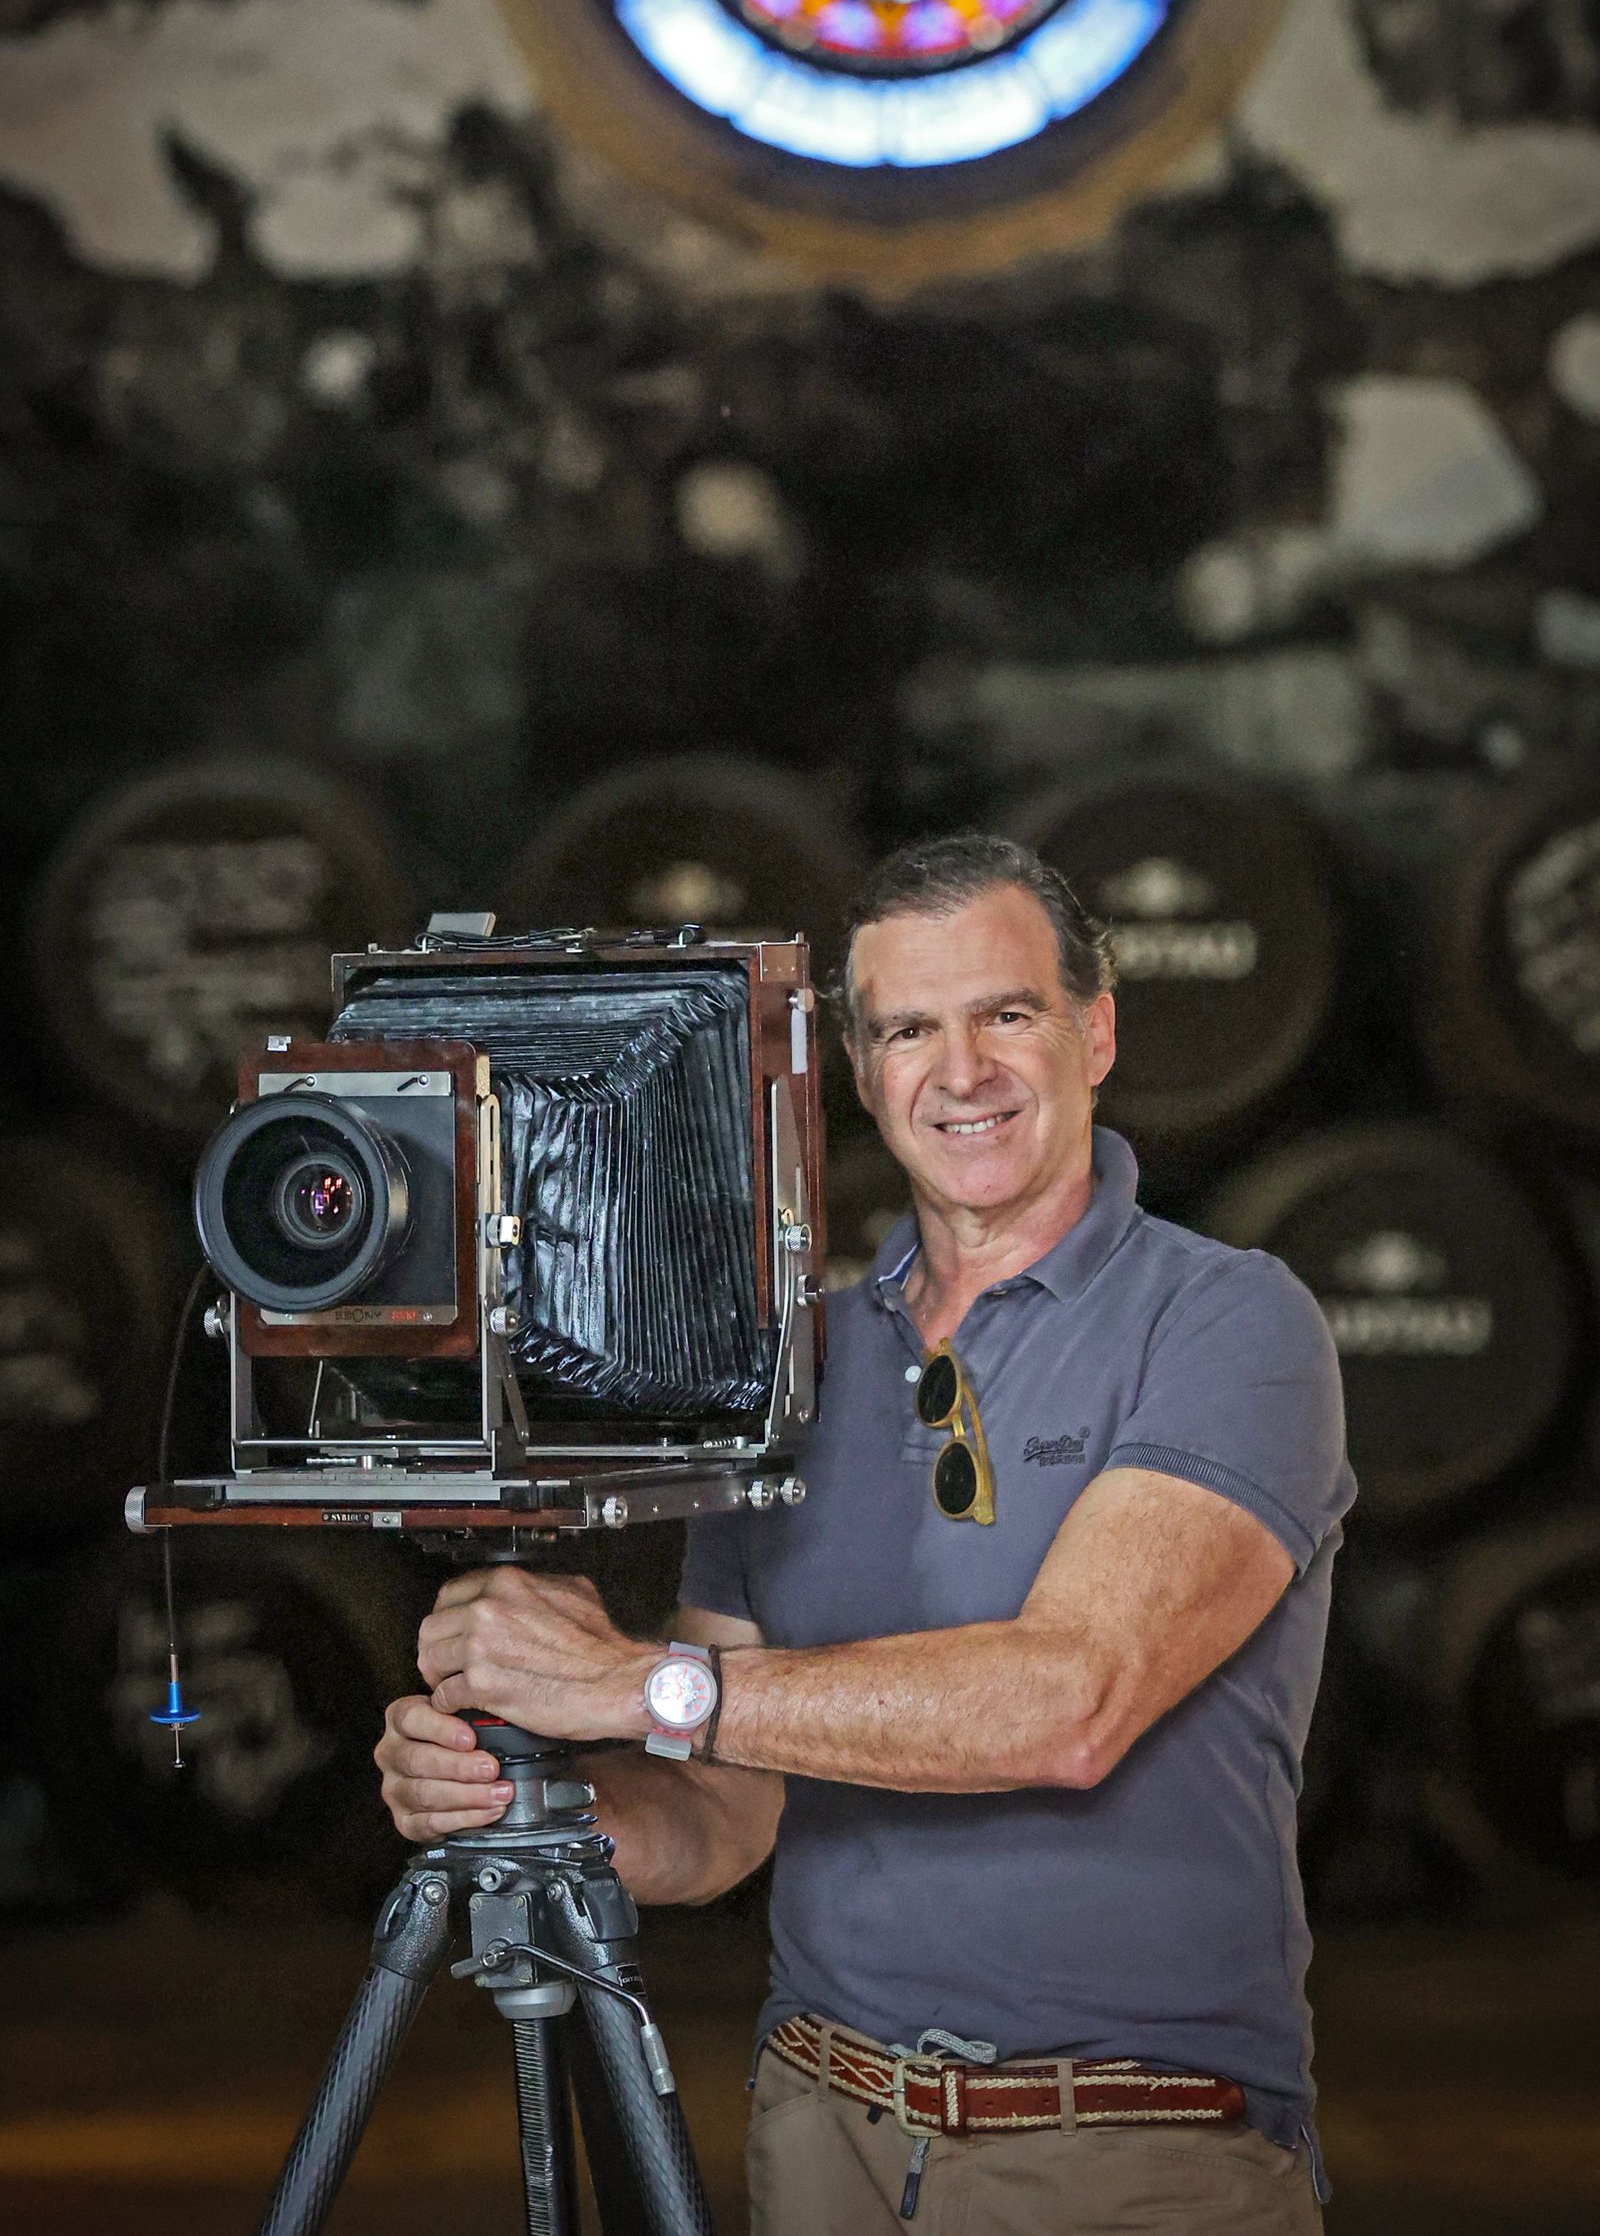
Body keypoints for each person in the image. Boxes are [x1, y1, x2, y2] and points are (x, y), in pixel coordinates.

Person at [376, 834, 1354, 2233]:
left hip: (1128, 2151)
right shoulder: (796, 1368)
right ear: (858, 1067)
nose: (961, 1072)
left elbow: (1067, 1704)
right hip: (820, 2132)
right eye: (908, 1029)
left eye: (1005, 1014)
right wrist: (536, 1800)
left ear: (1098, 1032)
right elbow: (723, 1811)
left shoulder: (1227, 1322)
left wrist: (630, 1683)